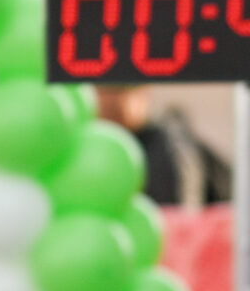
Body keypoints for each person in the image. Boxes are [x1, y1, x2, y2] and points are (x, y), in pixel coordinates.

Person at [94, 85, 230, 209]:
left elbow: (178, 216)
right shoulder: (94, 147)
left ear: (143, 95)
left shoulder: (168, 149)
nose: (108, 101)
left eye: (118, 92)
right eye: (102, 92)